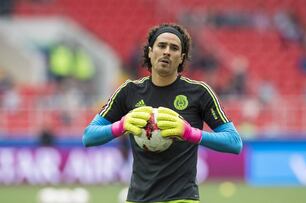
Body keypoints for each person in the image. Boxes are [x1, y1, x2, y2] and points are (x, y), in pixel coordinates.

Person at [82, 23, 242, 203]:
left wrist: (190, 133)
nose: (167, 52)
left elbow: (234, 142)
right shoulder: (129, 91)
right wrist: (121, 126)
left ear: (181, 58)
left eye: (174, 48)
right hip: (137, 198)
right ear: (150, 52)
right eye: (161, 46)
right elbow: (88, 136)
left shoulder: (199, 92)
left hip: (182, 198)